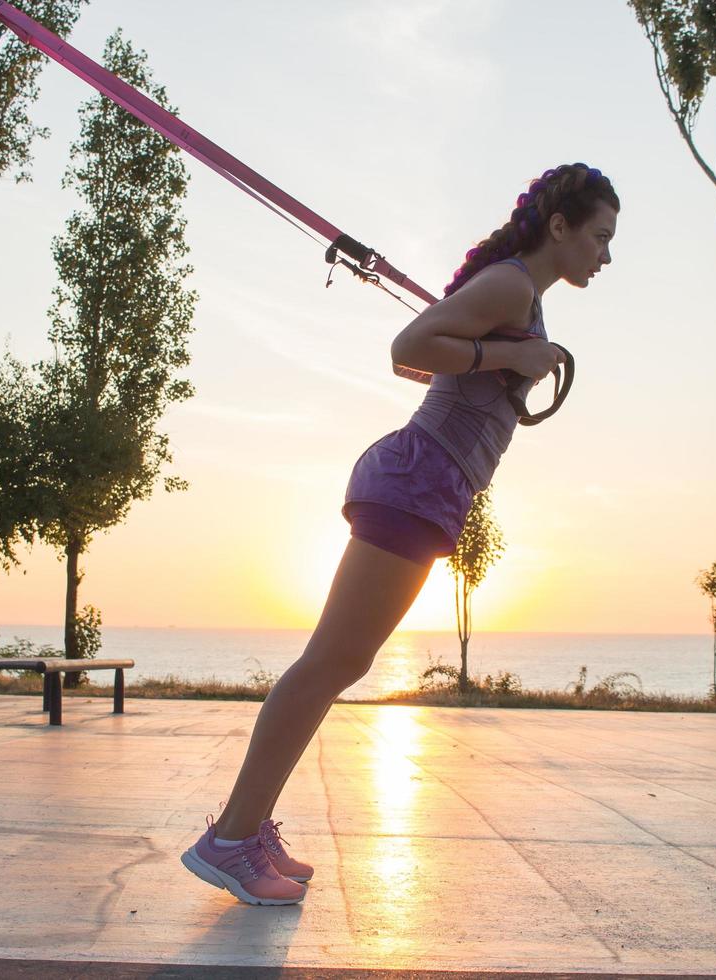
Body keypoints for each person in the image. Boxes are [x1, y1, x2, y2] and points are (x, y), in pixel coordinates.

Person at [180, 162, 619, 905]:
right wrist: (512, 355)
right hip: (415, 483)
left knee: (337, 663)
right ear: (560, 227)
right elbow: (407, 347)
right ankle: (228, 840)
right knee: (329, 662)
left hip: (429, 492)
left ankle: (243, 830)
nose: (605, 255)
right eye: (600, 237)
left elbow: (443, 362)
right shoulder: (515, 286)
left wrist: (501, 355)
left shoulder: (520, 295)